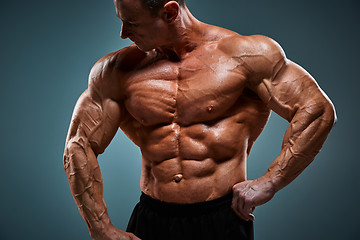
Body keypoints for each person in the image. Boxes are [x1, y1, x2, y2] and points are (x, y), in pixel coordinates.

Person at [63, 0, 337, 239]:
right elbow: (78, 145)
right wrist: (101, 230)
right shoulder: (115, 71)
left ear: (170, 12)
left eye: (132, 23)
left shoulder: (245, 56)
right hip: (151, 217)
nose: (123, 34)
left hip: (220, 218)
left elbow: (317, 110)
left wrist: (271, 181)